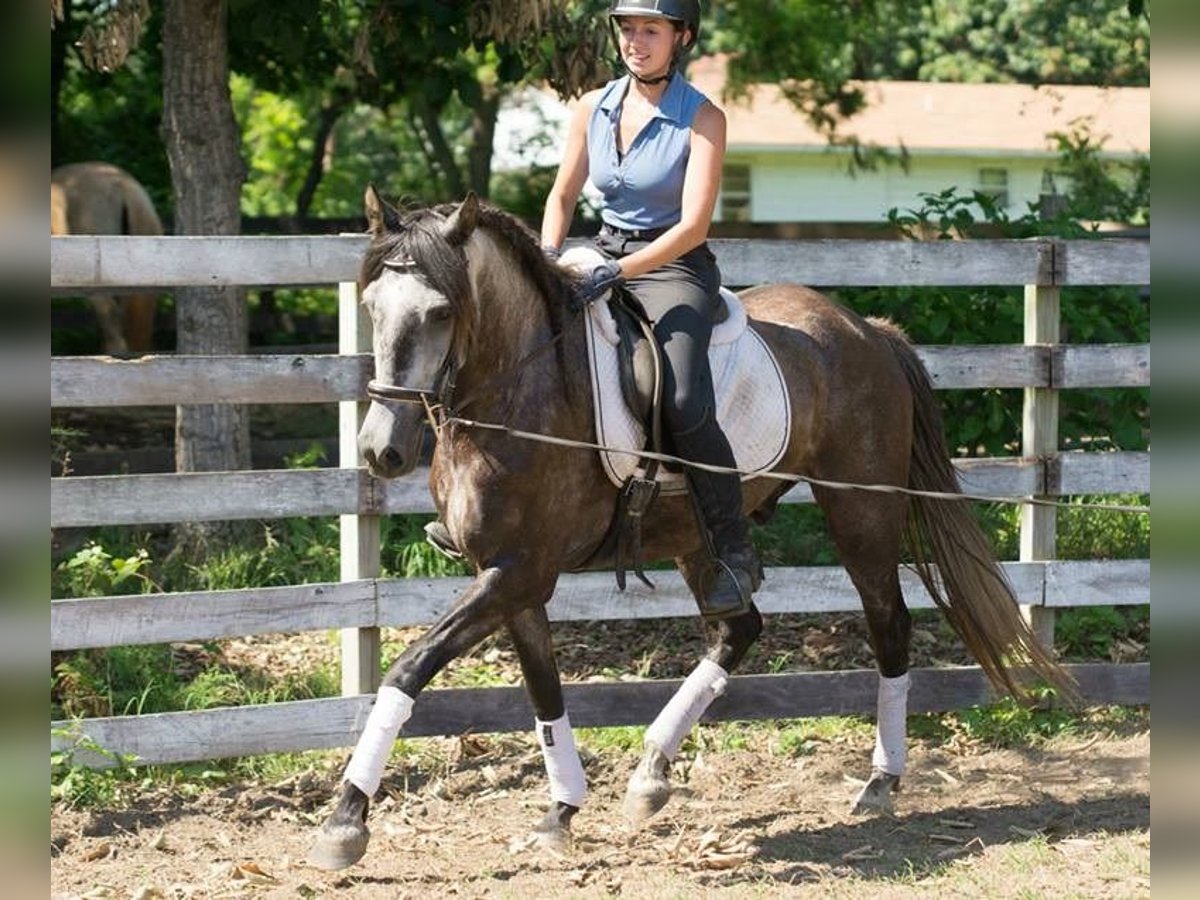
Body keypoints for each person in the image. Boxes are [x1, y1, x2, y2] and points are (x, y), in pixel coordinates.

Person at [543, 0, 761, 619]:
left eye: (650, 30)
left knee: (684, 399)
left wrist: (620, 271)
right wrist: (547, 257)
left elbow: (693, 226)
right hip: (602, 249)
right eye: (627, 29)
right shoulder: (593, 106)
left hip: (673, 266)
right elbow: (562, 193)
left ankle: (733, 550)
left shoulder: (704, 119)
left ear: (681, 37)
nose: (635, 42)